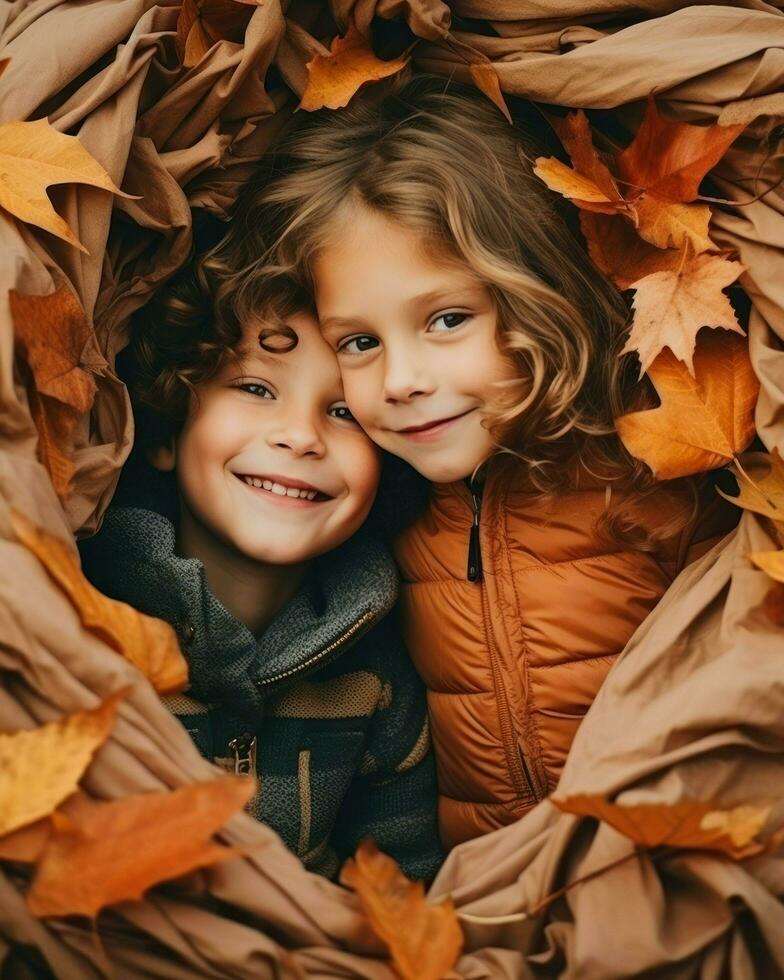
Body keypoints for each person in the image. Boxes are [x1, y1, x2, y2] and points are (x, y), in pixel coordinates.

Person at [203, 73, 737, 852]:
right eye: (360, 341)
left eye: (448, 319)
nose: (401, 379)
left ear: (535, 294)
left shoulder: (664, 475)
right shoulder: (388, 523)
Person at [79, 253, 443, 881]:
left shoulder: (380, 682)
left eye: (344, 412)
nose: (301, 436)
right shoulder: (81, 631)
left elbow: (405, 891)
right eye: (255, 388)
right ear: (168, 431)